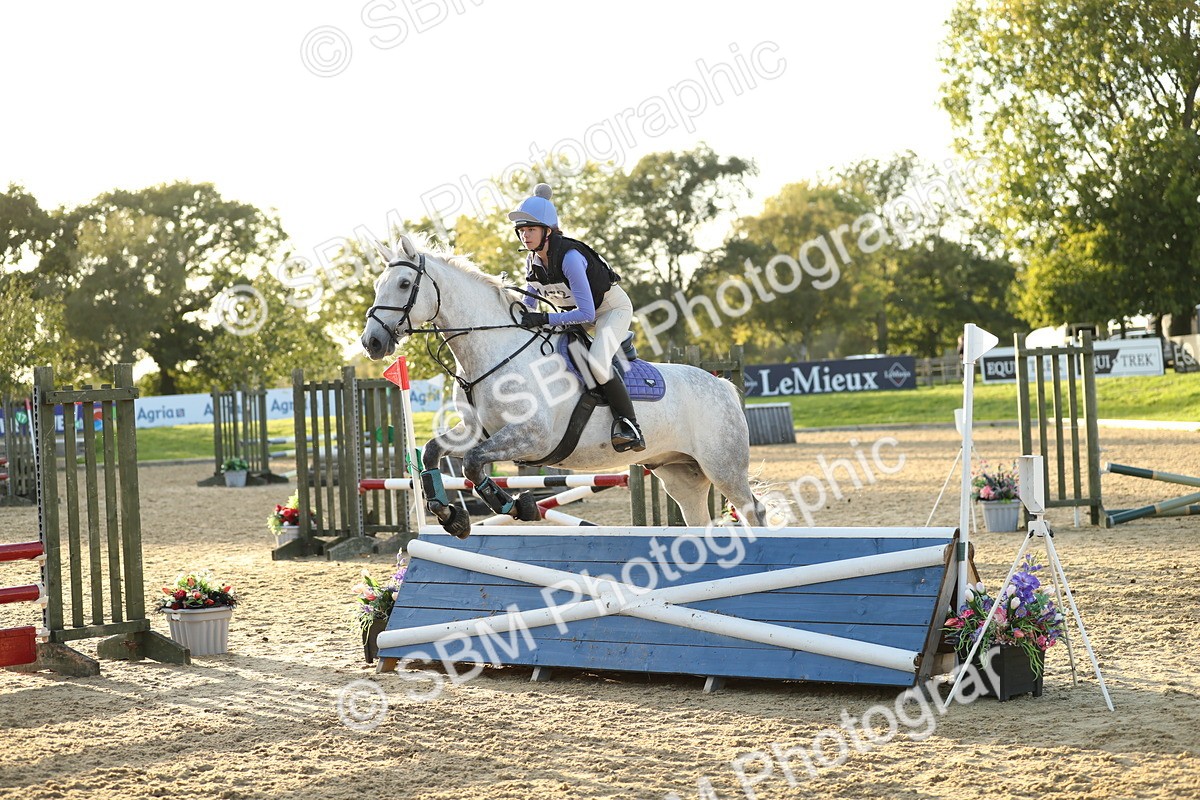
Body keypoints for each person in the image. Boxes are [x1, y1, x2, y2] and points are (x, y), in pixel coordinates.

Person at [508, 183, 646, 453]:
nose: (525, 236)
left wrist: (543, 319)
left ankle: (630, 425)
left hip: (608, 310)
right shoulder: (532, 261)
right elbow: (529, 303)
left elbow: (587, 313)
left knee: (596, 363)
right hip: (575, 315)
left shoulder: (570, 257)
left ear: (548, 231)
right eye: (522, 231)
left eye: (531, 229)